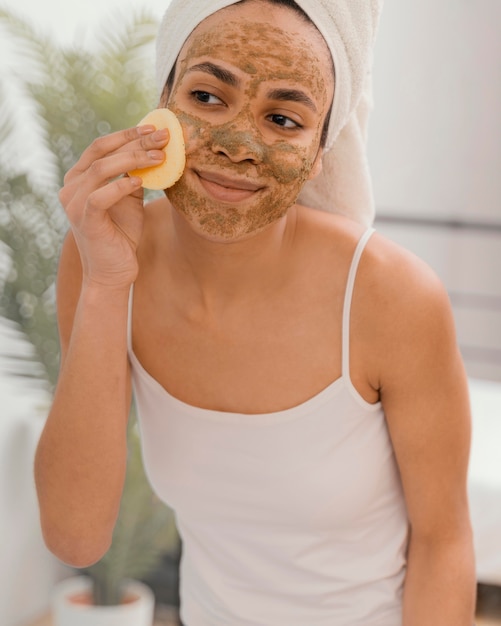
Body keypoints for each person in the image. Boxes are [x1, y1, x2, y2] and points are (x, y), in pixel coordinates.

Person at [34, 0, 476, 624]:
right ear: (162, 101)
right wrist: (108, 283)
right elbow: (75, 537)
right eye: (209, 96)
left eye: (283, 117)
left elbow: (444, 540)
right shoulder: (105, 256)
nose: (241, 145)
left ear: (320, 150)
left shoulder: (392, 298)